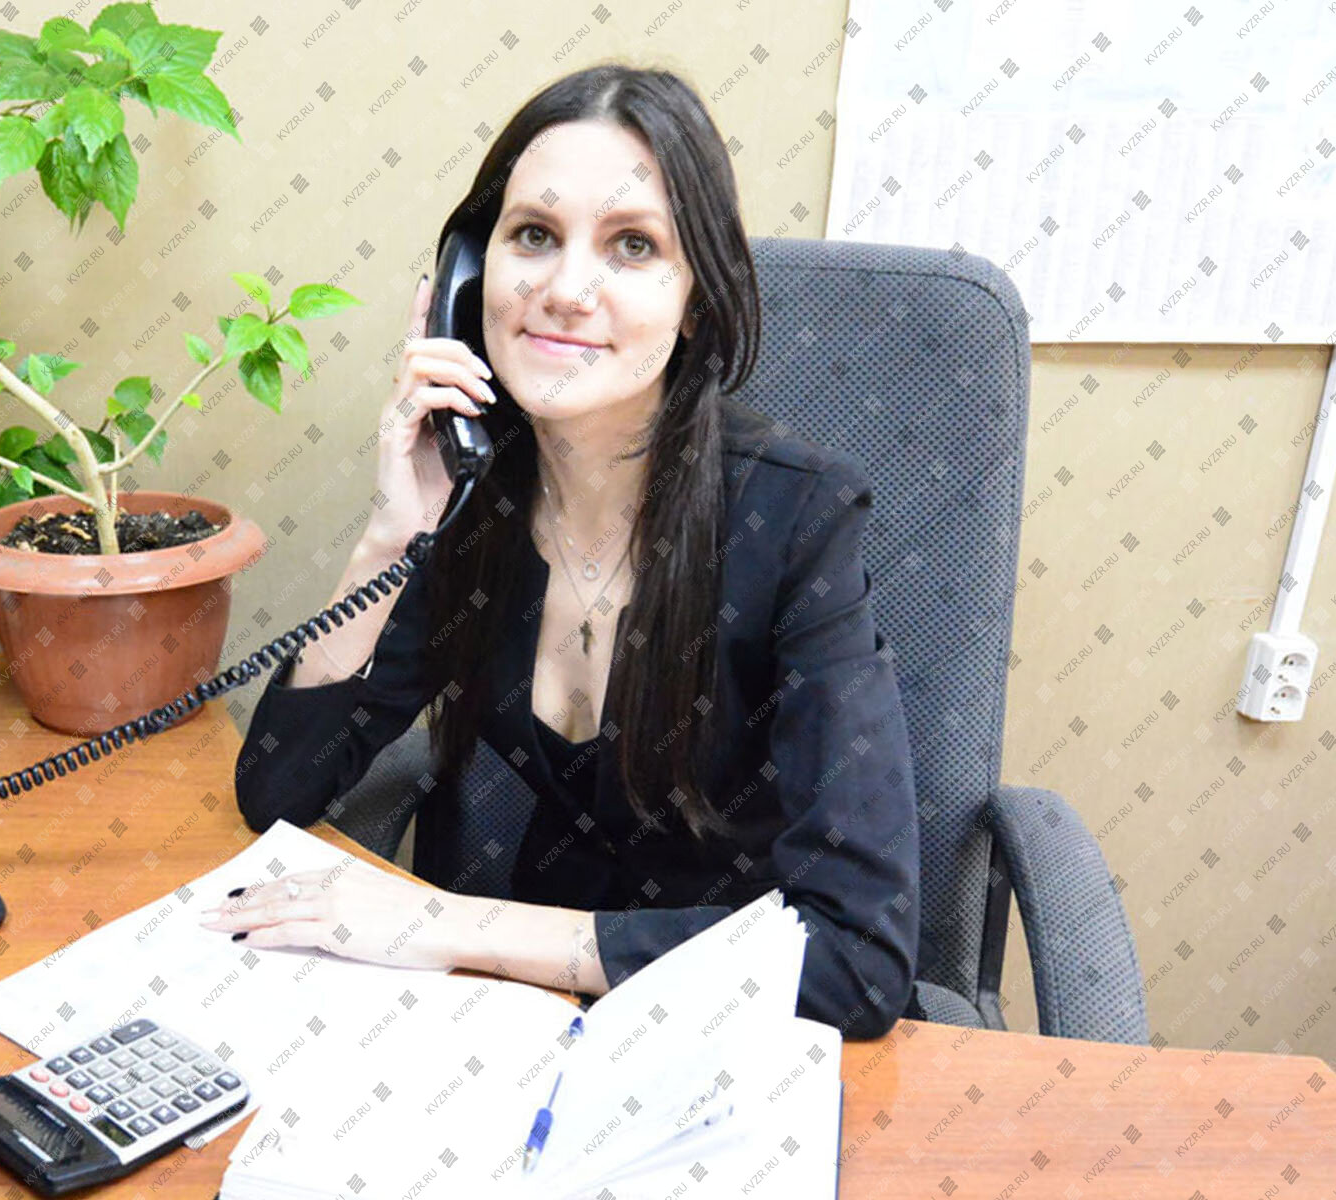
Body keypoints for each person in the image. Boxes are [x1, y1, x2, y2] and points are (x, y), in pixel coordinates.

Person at [208, 62, 922, 1040]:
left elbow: (858, 963)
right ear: (469, 276)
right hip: (535, 1021)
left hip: (742, 1034)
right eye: (534, 236)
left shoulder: (795, 516)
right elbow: (278, 790)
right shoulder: (475, 497)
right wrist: (391, 534)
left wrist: (448, 924)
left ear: (696, 301)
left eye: (632, 246)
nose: (565, 290)